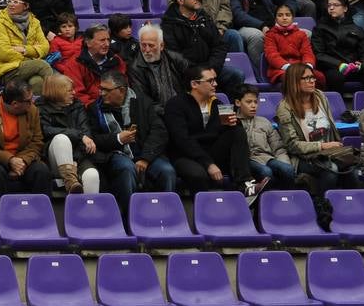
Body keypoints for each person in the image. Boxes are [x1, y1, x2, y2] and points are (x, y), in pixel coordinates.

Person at [164, 64, 266, 199]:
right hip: (185, 155)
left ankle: (245, 184)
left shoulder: (217, 104)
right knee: (198, 174)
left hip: (210, 151)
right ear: (194, 84)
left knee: (236, 131)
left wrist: (235, 123)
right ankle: (205, 213)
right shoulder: (176, 105)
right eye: (210, 81)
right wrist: (209, 164)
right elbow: (182, 140)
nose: (215, 84)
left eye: (215, 80)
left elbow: (227, 133)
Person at [89, 69, 176, 207]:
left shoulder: (143, 102)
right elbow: (94, 139)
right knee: (126, 168)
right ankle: (128, 218)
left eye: (106, 90)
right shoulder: (95, 109)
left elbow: (159, 132)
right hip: (116, 153)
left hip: (145, 153)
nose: (102, 93)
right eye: (101, 89)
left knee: (166, 171)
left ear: (122, 90)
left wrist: (145, 158)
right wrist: (118, 139)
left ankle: (166, 215)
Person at [275, 61, 357, 194]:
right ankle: (322, 205)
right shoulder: (284, 108)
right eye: (306, 78)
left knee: (351, 169)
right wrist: (322, 146)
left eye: (312, 77)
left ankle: (354, 208)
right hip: (304, 157)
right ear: (294, 81)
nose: (312, 81)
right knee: (331, 169)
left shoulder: (320, 97)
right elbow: (292, 145)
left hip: (329, 153)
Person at [0, 79, 53, 203]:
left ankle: (41, 214)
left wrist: (22, 161)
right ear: (15, 104)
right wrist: (10, 160)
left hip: (24, 157)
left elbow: (37, 142)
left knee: (41, 170)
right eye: (29, 101)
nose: (33, 102)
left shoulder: (32, 110)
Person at [39, 73, 100, 194]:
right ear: (57, 91)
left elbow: (87, 133)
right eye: (69, 90)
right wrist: (79, 135)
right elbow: (46, 131)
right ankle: (70, 180)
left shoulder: (78, 106)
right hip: (52, 160)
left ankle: (88, 212)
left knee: (92, 175)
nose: (74, 93)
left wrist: (75, 160)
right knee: (61, 138)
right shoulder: (40, 108)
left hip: (78, 157)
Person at [235, 86, 297, 190]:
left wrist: (284, 162)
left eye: (255, 102)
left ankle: (287, 197)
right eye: (249, 102)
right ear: (238, 103)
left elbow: (278, 147)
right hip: (248, 160)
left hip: (266, 157)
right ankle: (265, 200)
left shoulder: (264, 122)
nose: (253, 106)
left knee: (288, 169)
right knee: (266, 172)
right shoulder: (233, 122)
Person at [264, 3, 325, 87]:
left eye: (288, 15)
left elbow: (307, 52)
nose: (284, 18)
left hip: (301, 67)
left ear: (292, 18)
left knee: (319, 77)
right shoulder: (270, 35)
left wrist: (307, 66)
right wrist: (287, 67)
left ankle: (317, 99)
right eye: (280, 15)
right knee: (292, 77)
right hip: (280, 69)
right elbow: (271, 55)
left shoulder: (301, 34)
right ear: (275, 19)